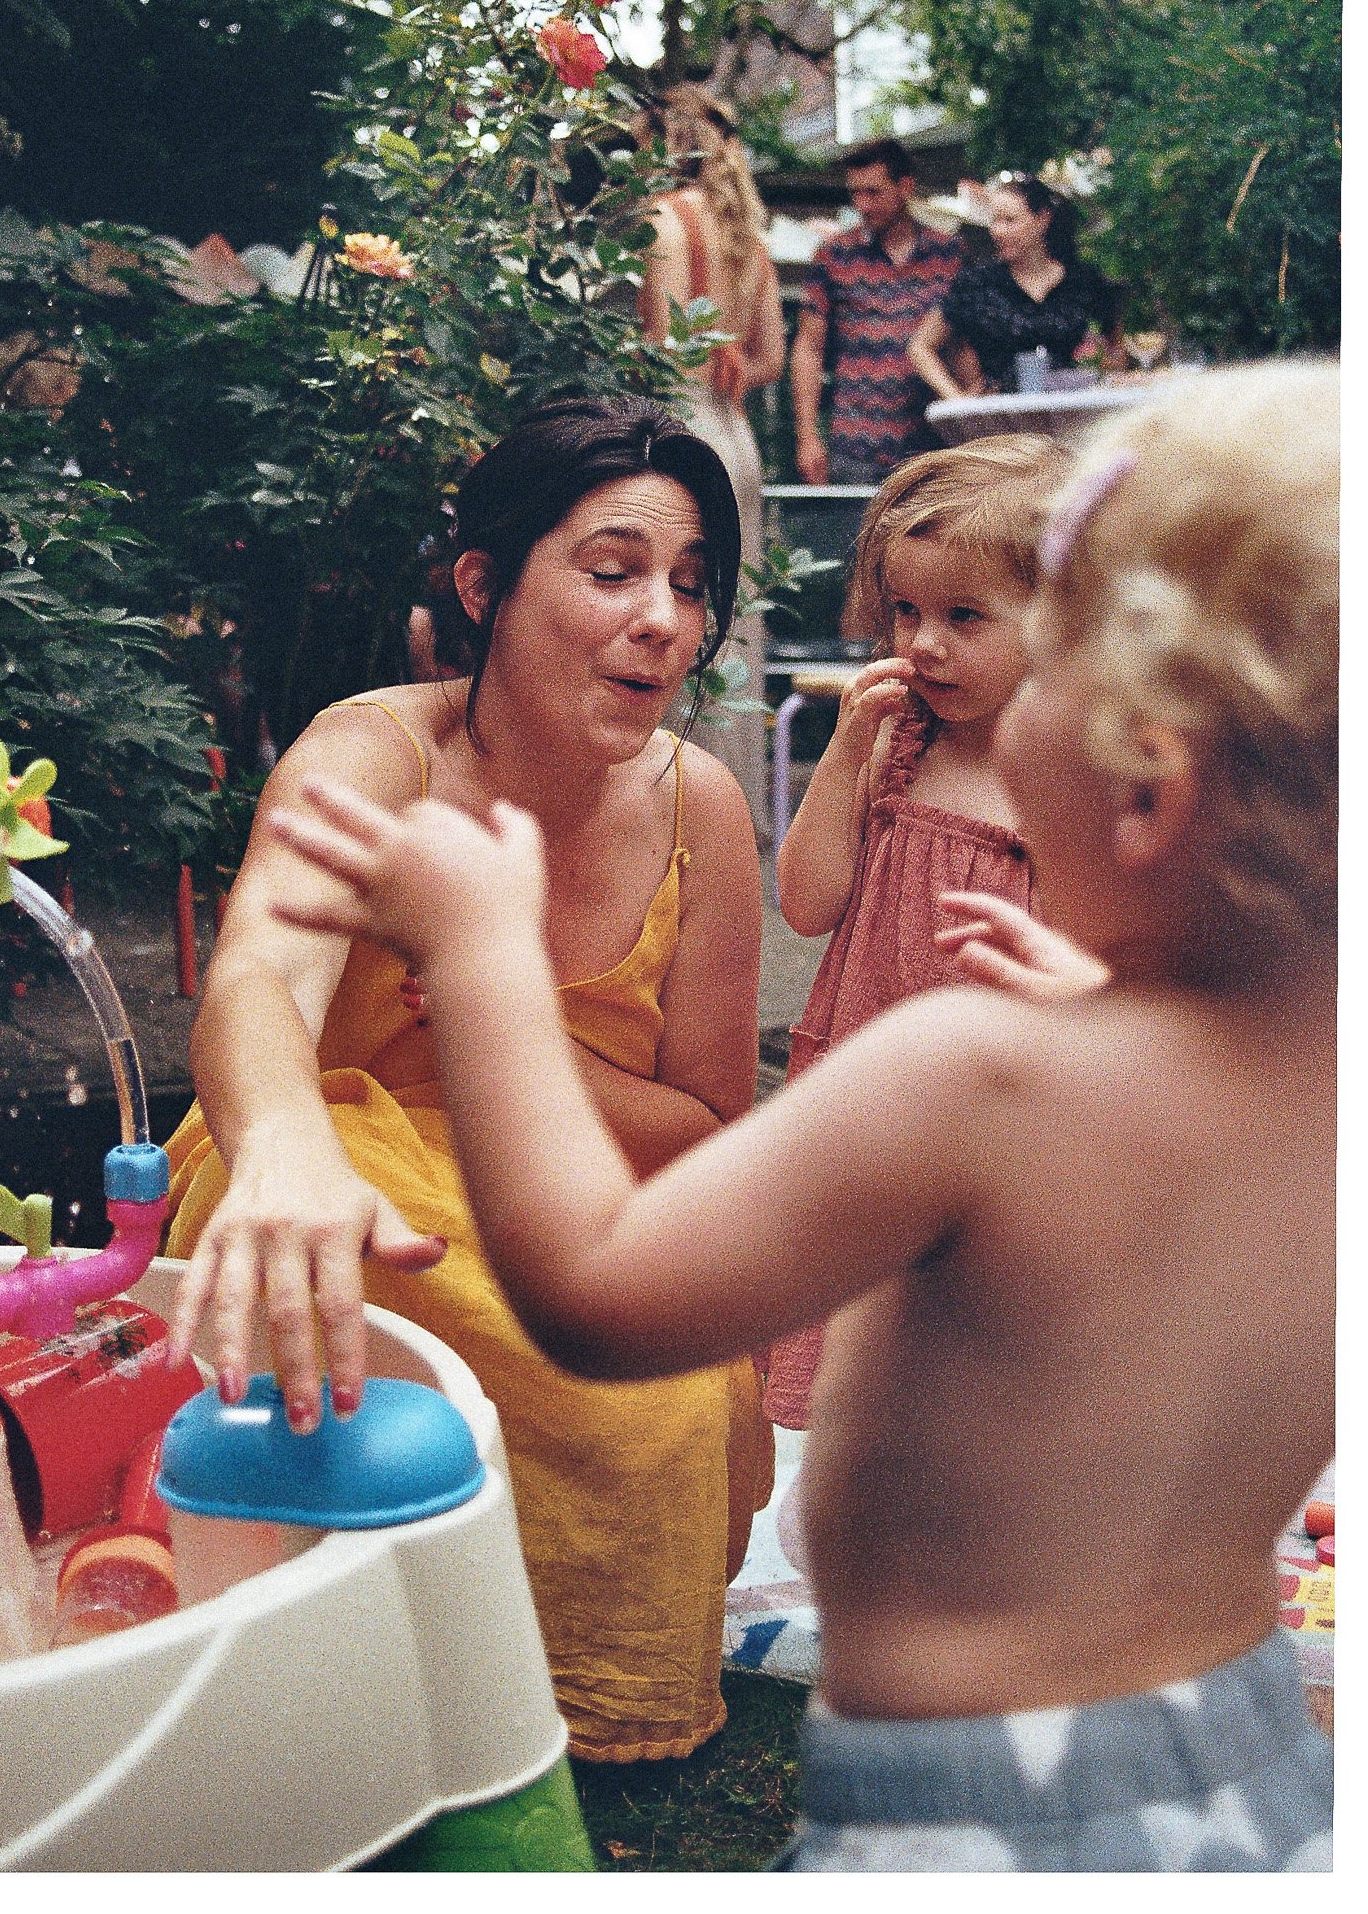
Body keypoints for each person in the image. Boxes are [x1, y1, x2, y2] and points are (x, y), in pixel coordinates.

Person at [269, 359, 1336, 1873]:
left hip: (977, 1827)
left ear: (1146, 792)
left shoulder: (976, 1073)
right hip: (1251, 1781)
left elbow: (600, 1290)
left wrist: (484, 953)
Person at [161, 395, 774, 1761]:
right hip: (338, 1168)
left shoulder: (702, 810)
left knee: (662, 1402)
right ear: (485, 586)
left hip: (568, 1192)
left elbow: (708, 1129)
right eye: (611, 572)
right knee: (335, 1276)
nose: (662, 620)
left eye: (689, 587)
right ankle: (329, 1691)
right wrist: (281, 1145)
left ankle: (575, 1704)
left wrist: (496, 1020)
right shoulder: (373, 753)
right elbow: (257, 977)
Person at [765, 433, 1070, 1428]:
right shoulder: (898, 745)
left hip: (1006, 1120)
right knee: (866, 1369)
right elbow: (807, 902)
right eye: (904, 610)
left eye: (963, 615)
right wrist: (846, 748)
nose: (922, 641)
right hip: (866, 1096)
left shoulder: (1079, 772)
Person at [636, 85, 785, 834]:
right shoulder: (747, 241)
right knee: (736, 616)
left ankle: (678, 806)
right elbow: (770, 357)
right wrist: (734, 370)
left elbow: (666, 353)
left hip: (683, 431)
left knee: (673, 614)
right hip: (736, 436)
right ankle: (734, 809)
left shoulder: (663, 221)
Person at [790, 137, 964, 485]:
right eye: (855, 194)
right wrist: (807, 434)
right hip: (856, 447)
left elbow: (962, 344)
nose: (862, 205)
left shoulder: (949, 255)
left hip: (931, 446)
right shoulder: (834, 256)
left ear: (905, 187)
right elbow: (809, 348)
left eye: (873, 192)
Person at [909, 171, 1127, 400]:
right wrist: (956, 398)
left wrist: (1108, 375)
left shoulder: (1084, 280)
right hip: (1002, 418)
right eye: (994, 220)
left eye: (1010, 221)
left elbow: (1115, 347)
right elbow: (920, 347)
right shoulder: (978, 283)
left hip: (1074, 412)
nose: (997, 231)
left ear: (1043, 219)